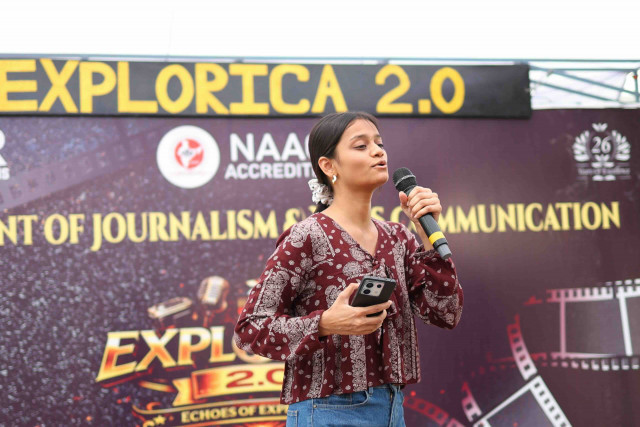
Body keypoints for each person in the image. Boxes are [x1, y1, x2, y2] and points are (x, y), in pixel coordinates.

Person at [233, 111, 463, 427]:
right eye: (361, 146)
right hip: (327, 411)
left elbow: (446, 313)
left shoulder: (399, 237)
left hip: (392, 410)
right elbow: (250, 329)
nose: (378, 152)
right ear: (328, 166)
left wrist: (426, 234)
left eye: (379, 144)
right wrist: (325, 323)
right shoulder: (307, 236)